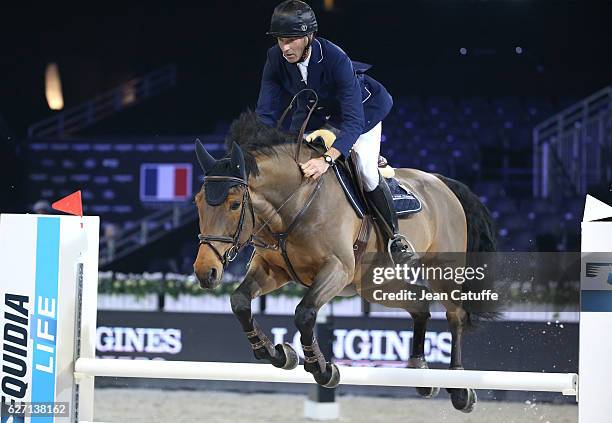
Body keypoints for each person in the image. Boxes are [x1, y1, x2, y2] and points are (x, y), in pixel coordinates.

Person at [255, 0, 411, 263]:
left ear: (309, 37)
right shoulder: (274, 58)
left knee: (365, 171)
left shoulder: (335, 58)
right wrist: (261, 153)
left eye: (292, 40)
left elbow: (352, 121)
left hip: (363, 111)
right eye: (281, 40)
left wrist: (327, 159)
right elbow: (266, 114)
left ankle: (395, 238)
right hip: (317, 111)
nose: (285, 48)